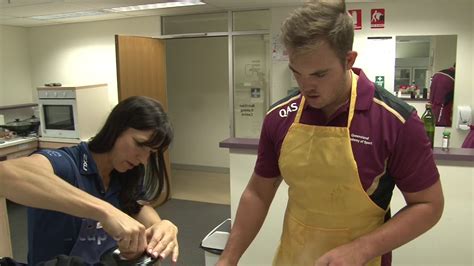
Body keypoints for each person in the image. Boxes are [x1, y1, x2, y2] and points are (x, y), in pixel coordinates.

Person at [217, 1, 444, 266]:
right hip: (294, 257)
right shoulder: (279, 116)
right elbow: (258, 192)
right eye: (297, 73)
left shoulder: (395, 121)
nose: (306, 86)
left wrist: (362, 248)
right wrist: (228, 258)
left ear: (349, 60)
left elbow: (429, 205)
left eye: (319, 74)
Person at [0, 96, 178, 265]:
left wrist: (160, 227)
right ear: (116, 128)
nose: (143, 160)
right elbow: (5, 175)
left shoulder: (125, 174)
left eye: (151, 153)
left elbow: (138, 205)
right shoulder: (67, 164)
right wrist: (106, 211)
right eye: (140, 144)